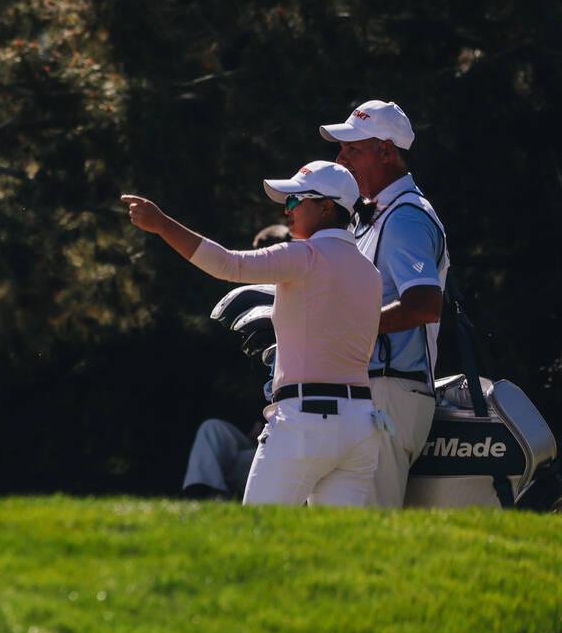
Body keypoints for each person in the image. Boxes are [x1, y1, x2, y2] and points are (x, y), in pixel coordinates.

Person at [123, 161, 383, 505]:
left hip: (305, 421)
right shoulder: (370, 271)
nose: (286, 209)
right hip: (361, 425)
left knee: (260, 536)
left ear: (325, 207)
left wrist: (162, 225)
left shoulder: (304, 255)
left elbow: (228, 264)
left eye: (294, 201)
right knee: (336, 552)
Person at [320, 100, 450, 507]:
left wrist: (349, 327)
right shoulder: (373, 216)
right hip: (371, 389)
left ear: (386, 152)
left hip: (390, 391)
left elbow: (426, 304)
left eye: (352, 149)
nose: (340, 159)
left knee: (361, 534)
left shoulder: (406, 217)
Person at [181, 224, 290, 500]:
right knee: (211, 430)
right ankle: (206, 498)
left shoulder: (298, 305)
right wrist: (249, 423)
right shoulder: (244, 309)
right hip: (254, 434)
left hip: (289, 429)